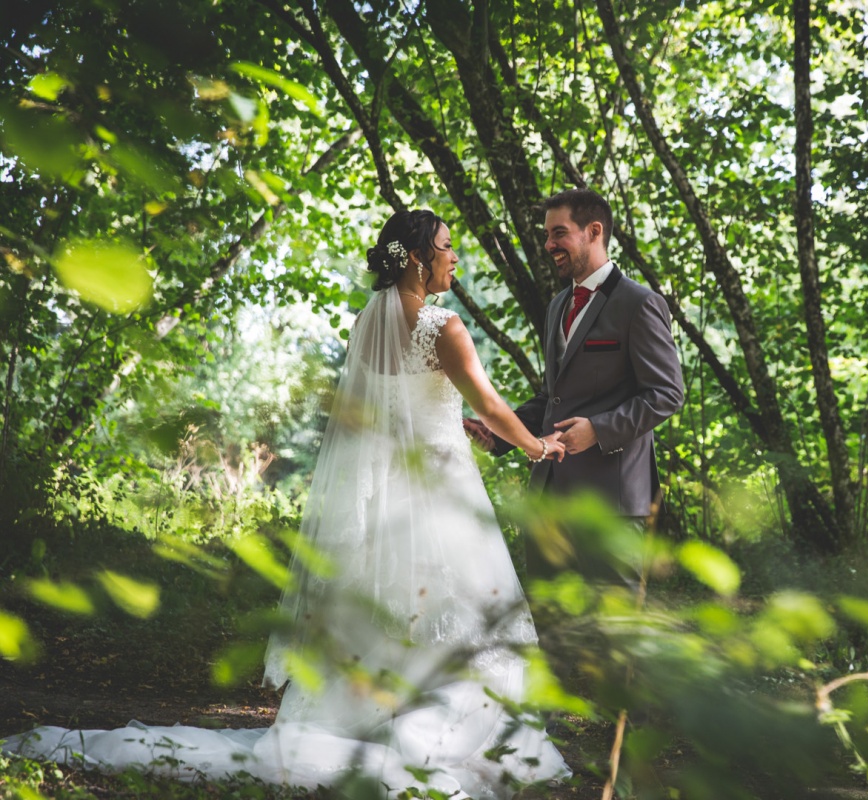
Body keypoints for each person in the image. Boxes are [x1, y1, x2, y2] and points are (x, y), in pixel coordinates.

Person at [3, 209, 572, 800]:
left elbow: (392, 413)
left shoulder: (368, 323)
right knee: (463, 619)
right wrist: (538, 445)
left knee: (390, 614)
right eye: (448, 248)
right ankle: (448, 738)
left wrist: (466, 425)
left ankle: (376, 715)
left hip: (386, 502)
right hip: (442, 494)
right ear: (418, 259)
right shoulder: (443, 327)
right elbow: (492, 402)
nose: (455, 257)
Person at [492, 188, 684, 581]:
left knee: (613, 634)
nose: (548, 244)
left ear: (593, 231)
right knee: (556, 634)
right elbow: (553, 397)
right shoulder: (557, 306)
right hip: (548, 502)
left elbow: (667, 394)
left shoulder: (640, 303)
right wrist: (500, 433)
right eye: (547, 235)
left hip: (611, 505)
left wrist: (598, 430)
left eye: (558, 233)